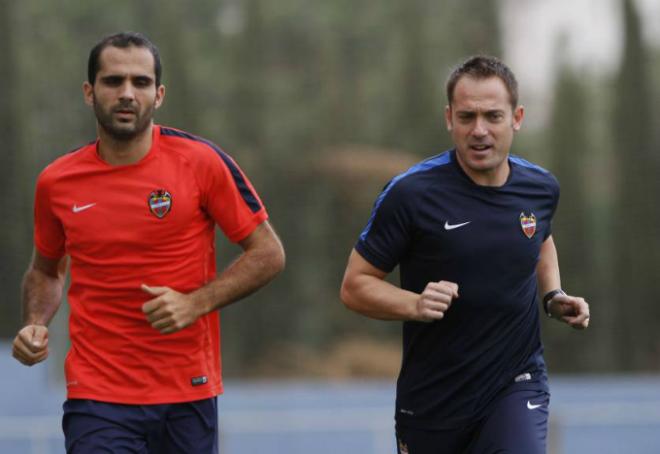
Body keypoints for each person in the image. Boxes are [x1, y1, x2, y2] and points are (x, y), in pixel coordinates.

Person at [11, 31, 285, 453]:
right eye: (112, 81)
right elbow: (46, 271)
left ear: (158, 95)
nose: (126, 93)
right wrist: (34, 323)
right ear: (89, 92)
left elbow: (268, 253)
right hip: (97, 395)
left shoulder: (202, 163)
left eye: (140, 83)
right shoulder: (57, 182)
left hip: (187, 390)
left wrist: (196, 302)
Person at [339, 55, 590, 454]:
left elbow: (540, 238)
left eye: (493, 116)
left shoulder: (541, 189)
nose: (479, 131)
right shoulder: (410, 194)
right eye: (467, 116)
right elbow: (355, 286)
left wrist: (552, 295)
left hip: (516, 383)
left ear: (517, 117)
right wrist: (415, 303)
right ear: (448, 118)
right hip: (434, 400)